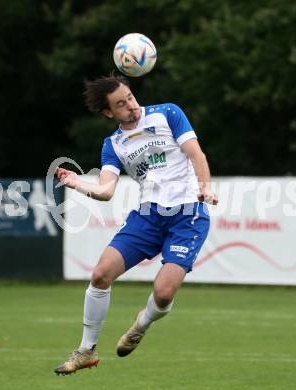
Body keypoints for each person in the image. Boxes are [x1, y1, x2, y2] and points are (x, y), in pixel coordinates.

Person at [54, 75, 218, 375]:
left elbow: (196, 154)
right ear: (108, 113)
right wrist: (76, 182)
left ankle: (141, 323)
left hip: (188, 216)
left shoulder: (168, 113)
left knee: (164, 293)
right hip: (148, 217)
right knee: (101, 274)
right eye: (121, 104)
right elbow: (105, 191)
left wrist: (205, 186)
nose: (131, 105)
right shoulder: (113, 144)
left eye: (130, 96)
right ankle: (85, 351)